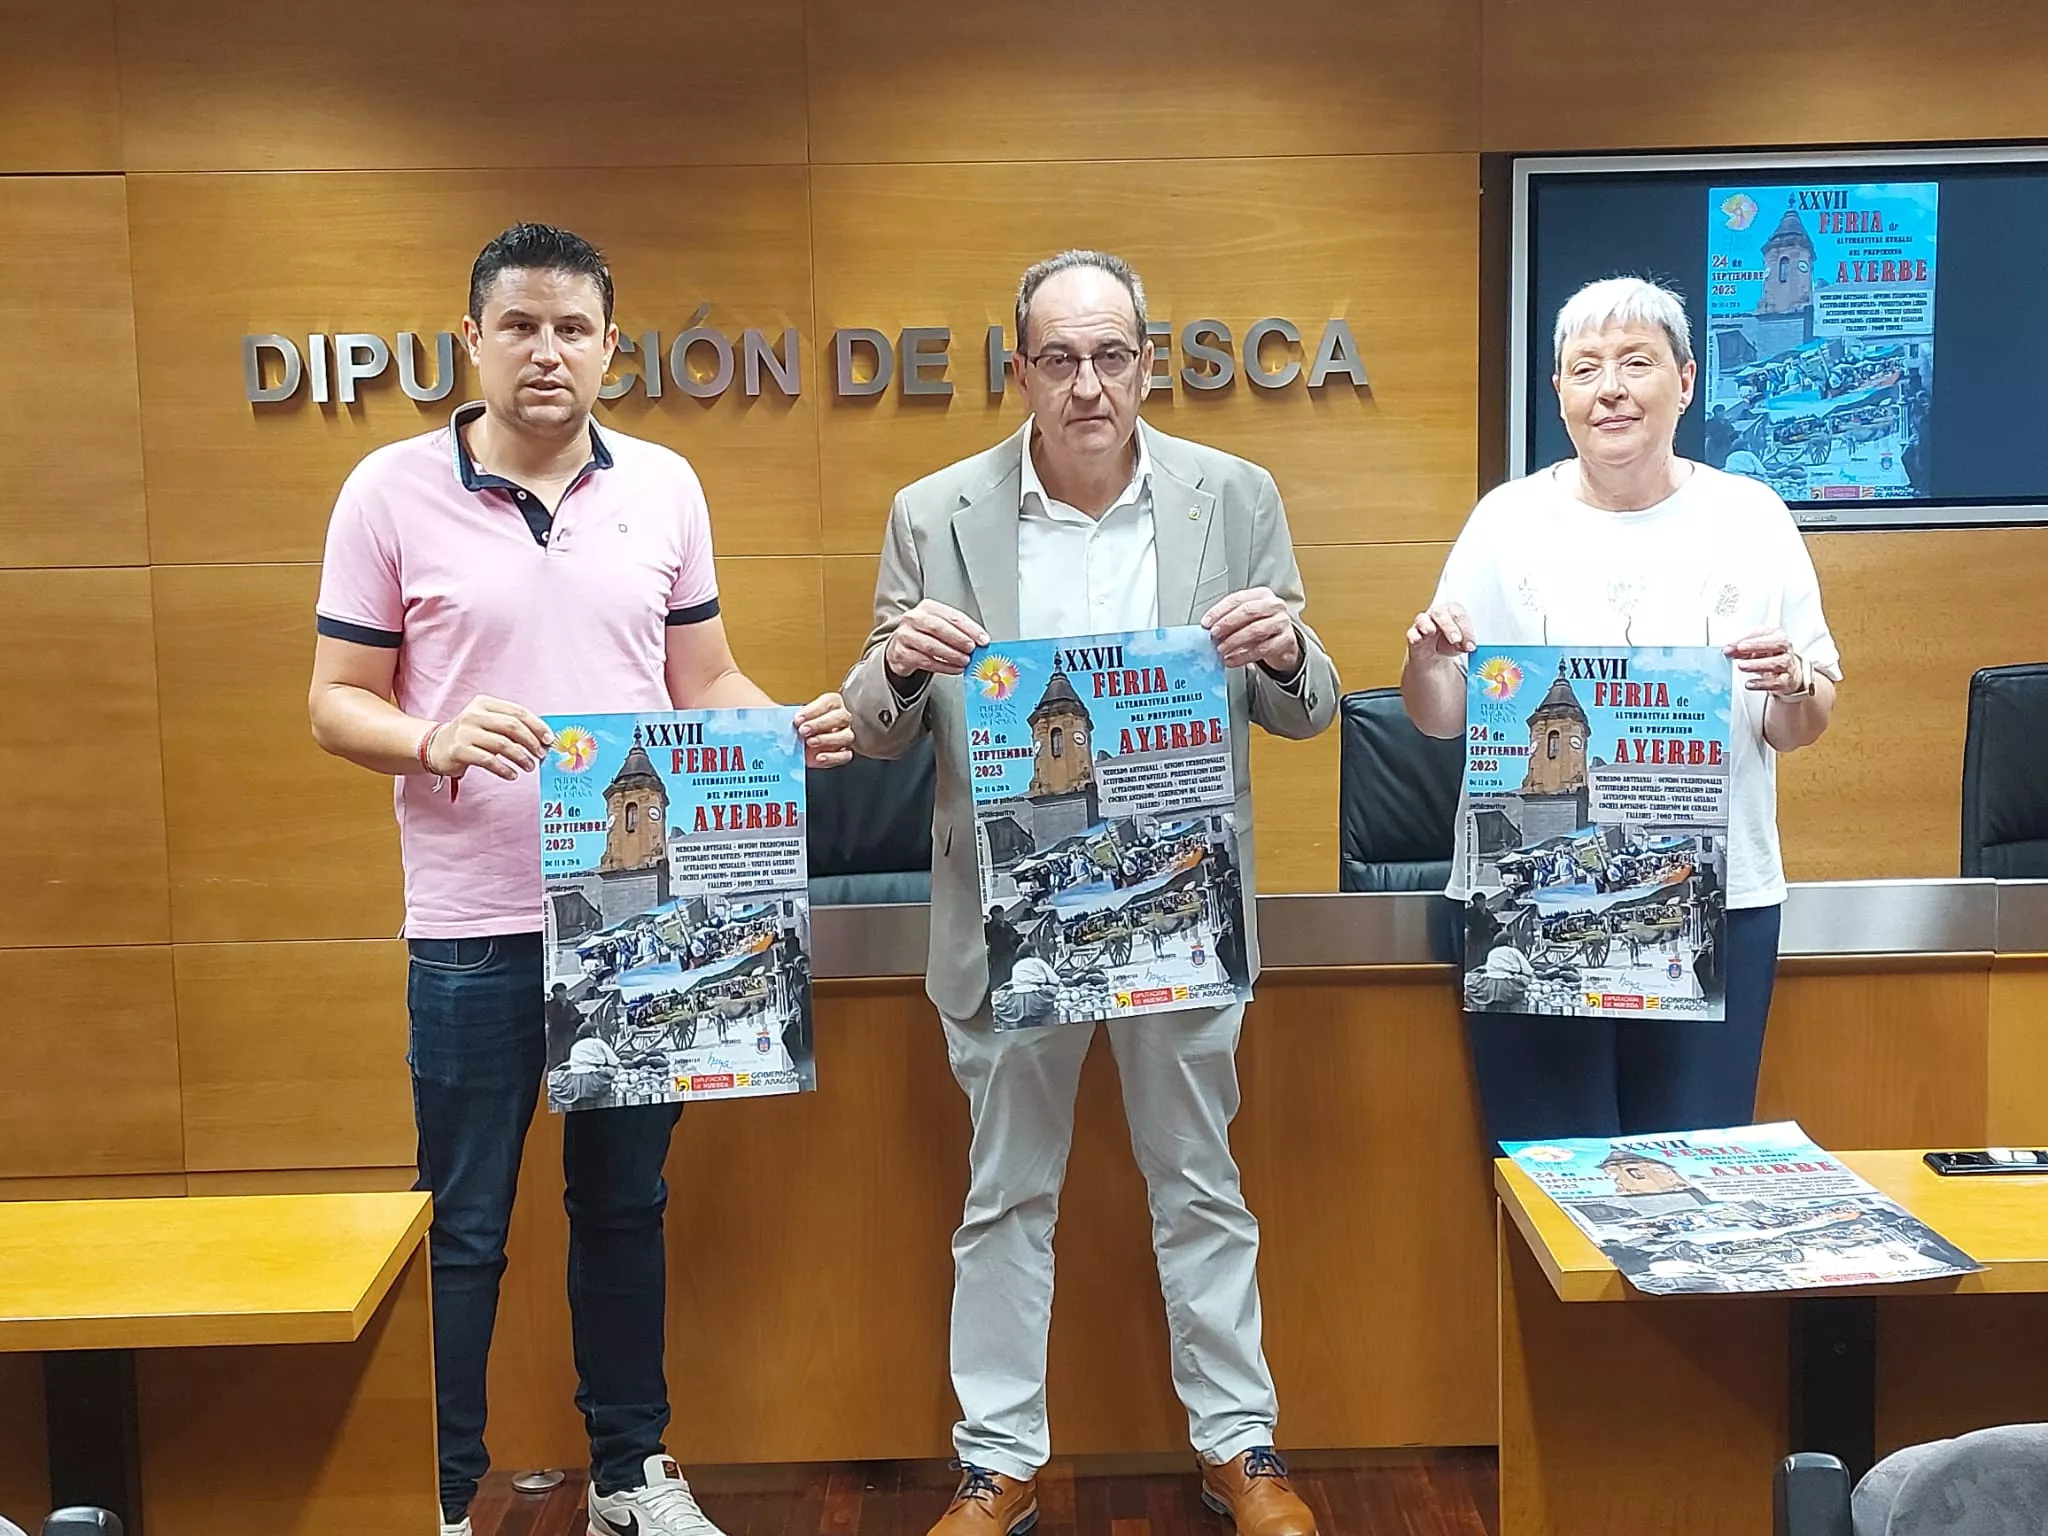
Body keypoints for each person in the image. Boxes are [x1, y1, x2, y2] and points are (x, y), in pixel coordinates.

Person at [306, 222, 854, 1536]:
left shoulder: (663, 485)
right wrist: (431, 737)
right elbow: (334, 700)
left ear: (612, 346)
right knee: (464, 1224)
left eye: (571, 329)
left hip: (639, 921)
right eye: (519, 326)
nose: (545, 352)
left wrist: (776, 729)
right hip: (473, 926)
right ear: (471, 341)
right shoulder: (387, 491)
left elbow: (702, 677)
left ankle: (628, 1473)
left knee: (622, 1205)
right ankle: (443, 1495)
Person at [842, 249, 1338, 1536]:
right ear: (1017, 370)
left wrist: (1286, 648)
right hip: (1011, 925)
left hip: (1177, 911)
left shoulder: (1232, 495)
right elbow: (875, 730)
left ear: (1145, 363)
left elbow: (1308, 706)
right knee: (1004, 1200)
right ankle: (996, 1461)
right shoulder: (933, 512)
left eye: (1109, 355)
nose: (1086, 385)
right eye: (1057, 359)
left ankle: (1238, 1447)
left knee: (1201, 1188)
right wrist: (897, 665)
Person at [1402, 275, 1840, 1150]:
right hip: (1528, 901)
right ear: (1559, 392)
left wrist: (1794, 681)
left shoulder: (1751, 518)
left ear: (1686, 382)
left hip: (1712, 898)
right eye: (1585, 368)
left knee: (1692, 1175)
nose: (1611, 389)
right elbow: (1441, 717)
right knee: (1551, 1172)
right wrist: (1425, 662)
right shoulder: (1505, 522)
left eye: (1636, 363)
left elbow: (1800, 720)